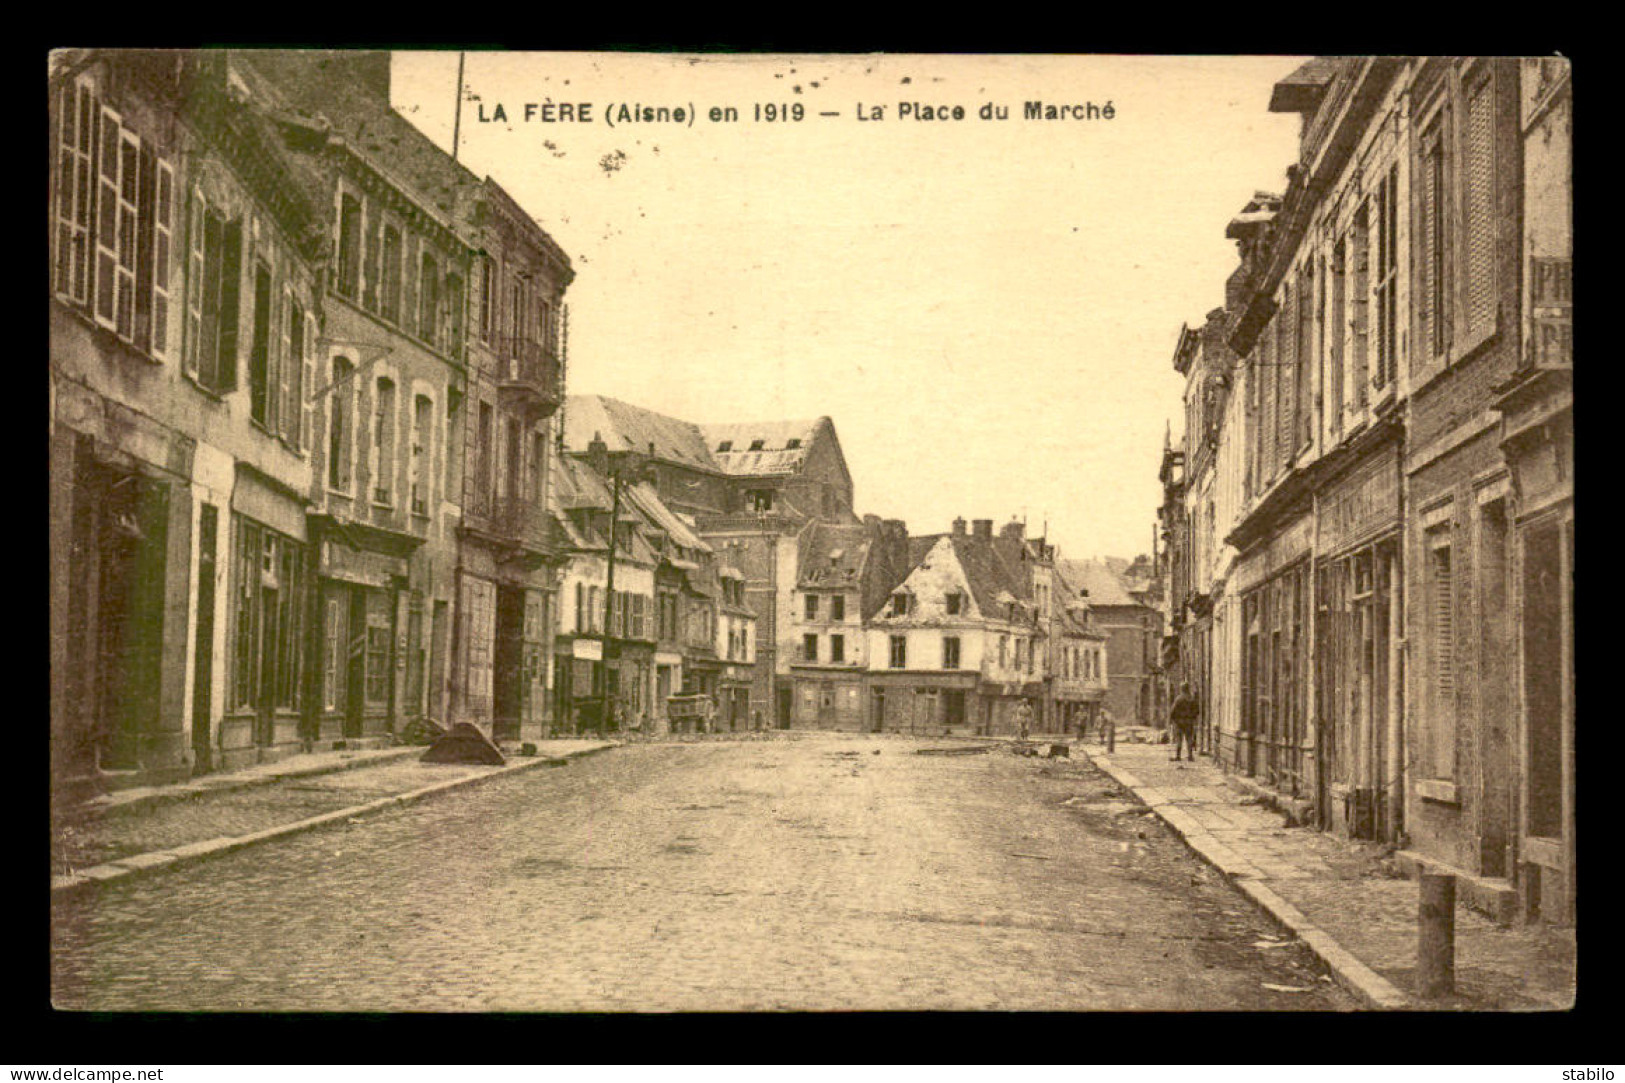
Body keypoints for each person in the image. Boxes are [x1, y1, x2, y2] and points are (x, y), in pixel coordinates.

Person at [1169, 682, 1200, 762]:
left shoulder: (1179, 699)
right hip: (1189, 722)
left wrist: (1172, 719)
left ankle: (1178, 756)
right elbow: (1197, 710)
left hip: (1179, 722)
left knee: (1179, 739)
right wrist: (1192, 718)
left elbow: (1173, 711)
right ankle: (1190, 756)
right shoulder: (1192, 699)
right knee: (1189, 739)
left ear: (1182, 689)